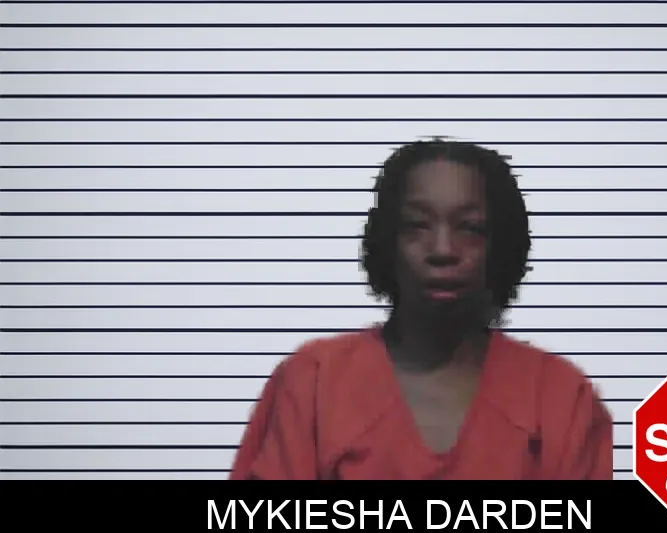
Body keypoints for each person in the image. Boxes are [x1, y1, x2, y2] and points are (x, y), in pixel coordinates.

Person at [229, 138, 613, 480]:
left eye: (470, 227)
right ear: (387, 241)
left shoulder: (561, 397)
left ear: (501, 245)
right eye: (417, 225)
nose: (443, 250)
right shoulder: (312, 381)